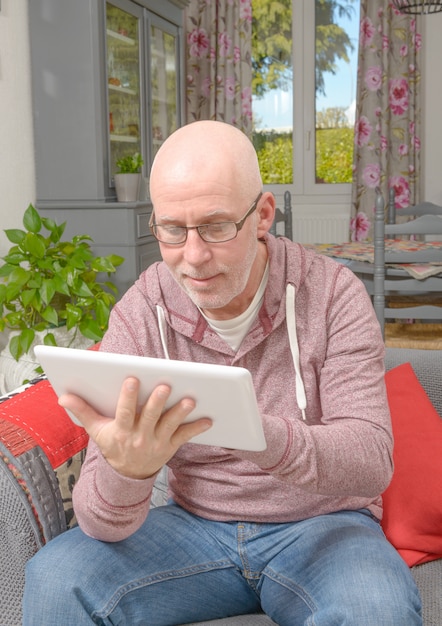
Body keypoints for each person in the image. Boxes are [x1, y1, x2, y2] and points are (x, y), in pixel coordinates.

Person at [23, 120, 422, 625]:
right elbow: (101, 524)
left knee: (377, 611)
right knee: (57, 578)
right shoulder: (141, 313)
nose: (193, 257)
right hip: (194, 526)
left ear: (263, 215)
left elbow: (371, 460)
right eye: (172, 229)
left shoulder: (333, 295)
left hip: (326, 525)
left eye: (215, 227)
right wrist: (130, 470)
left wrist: (258, 434)